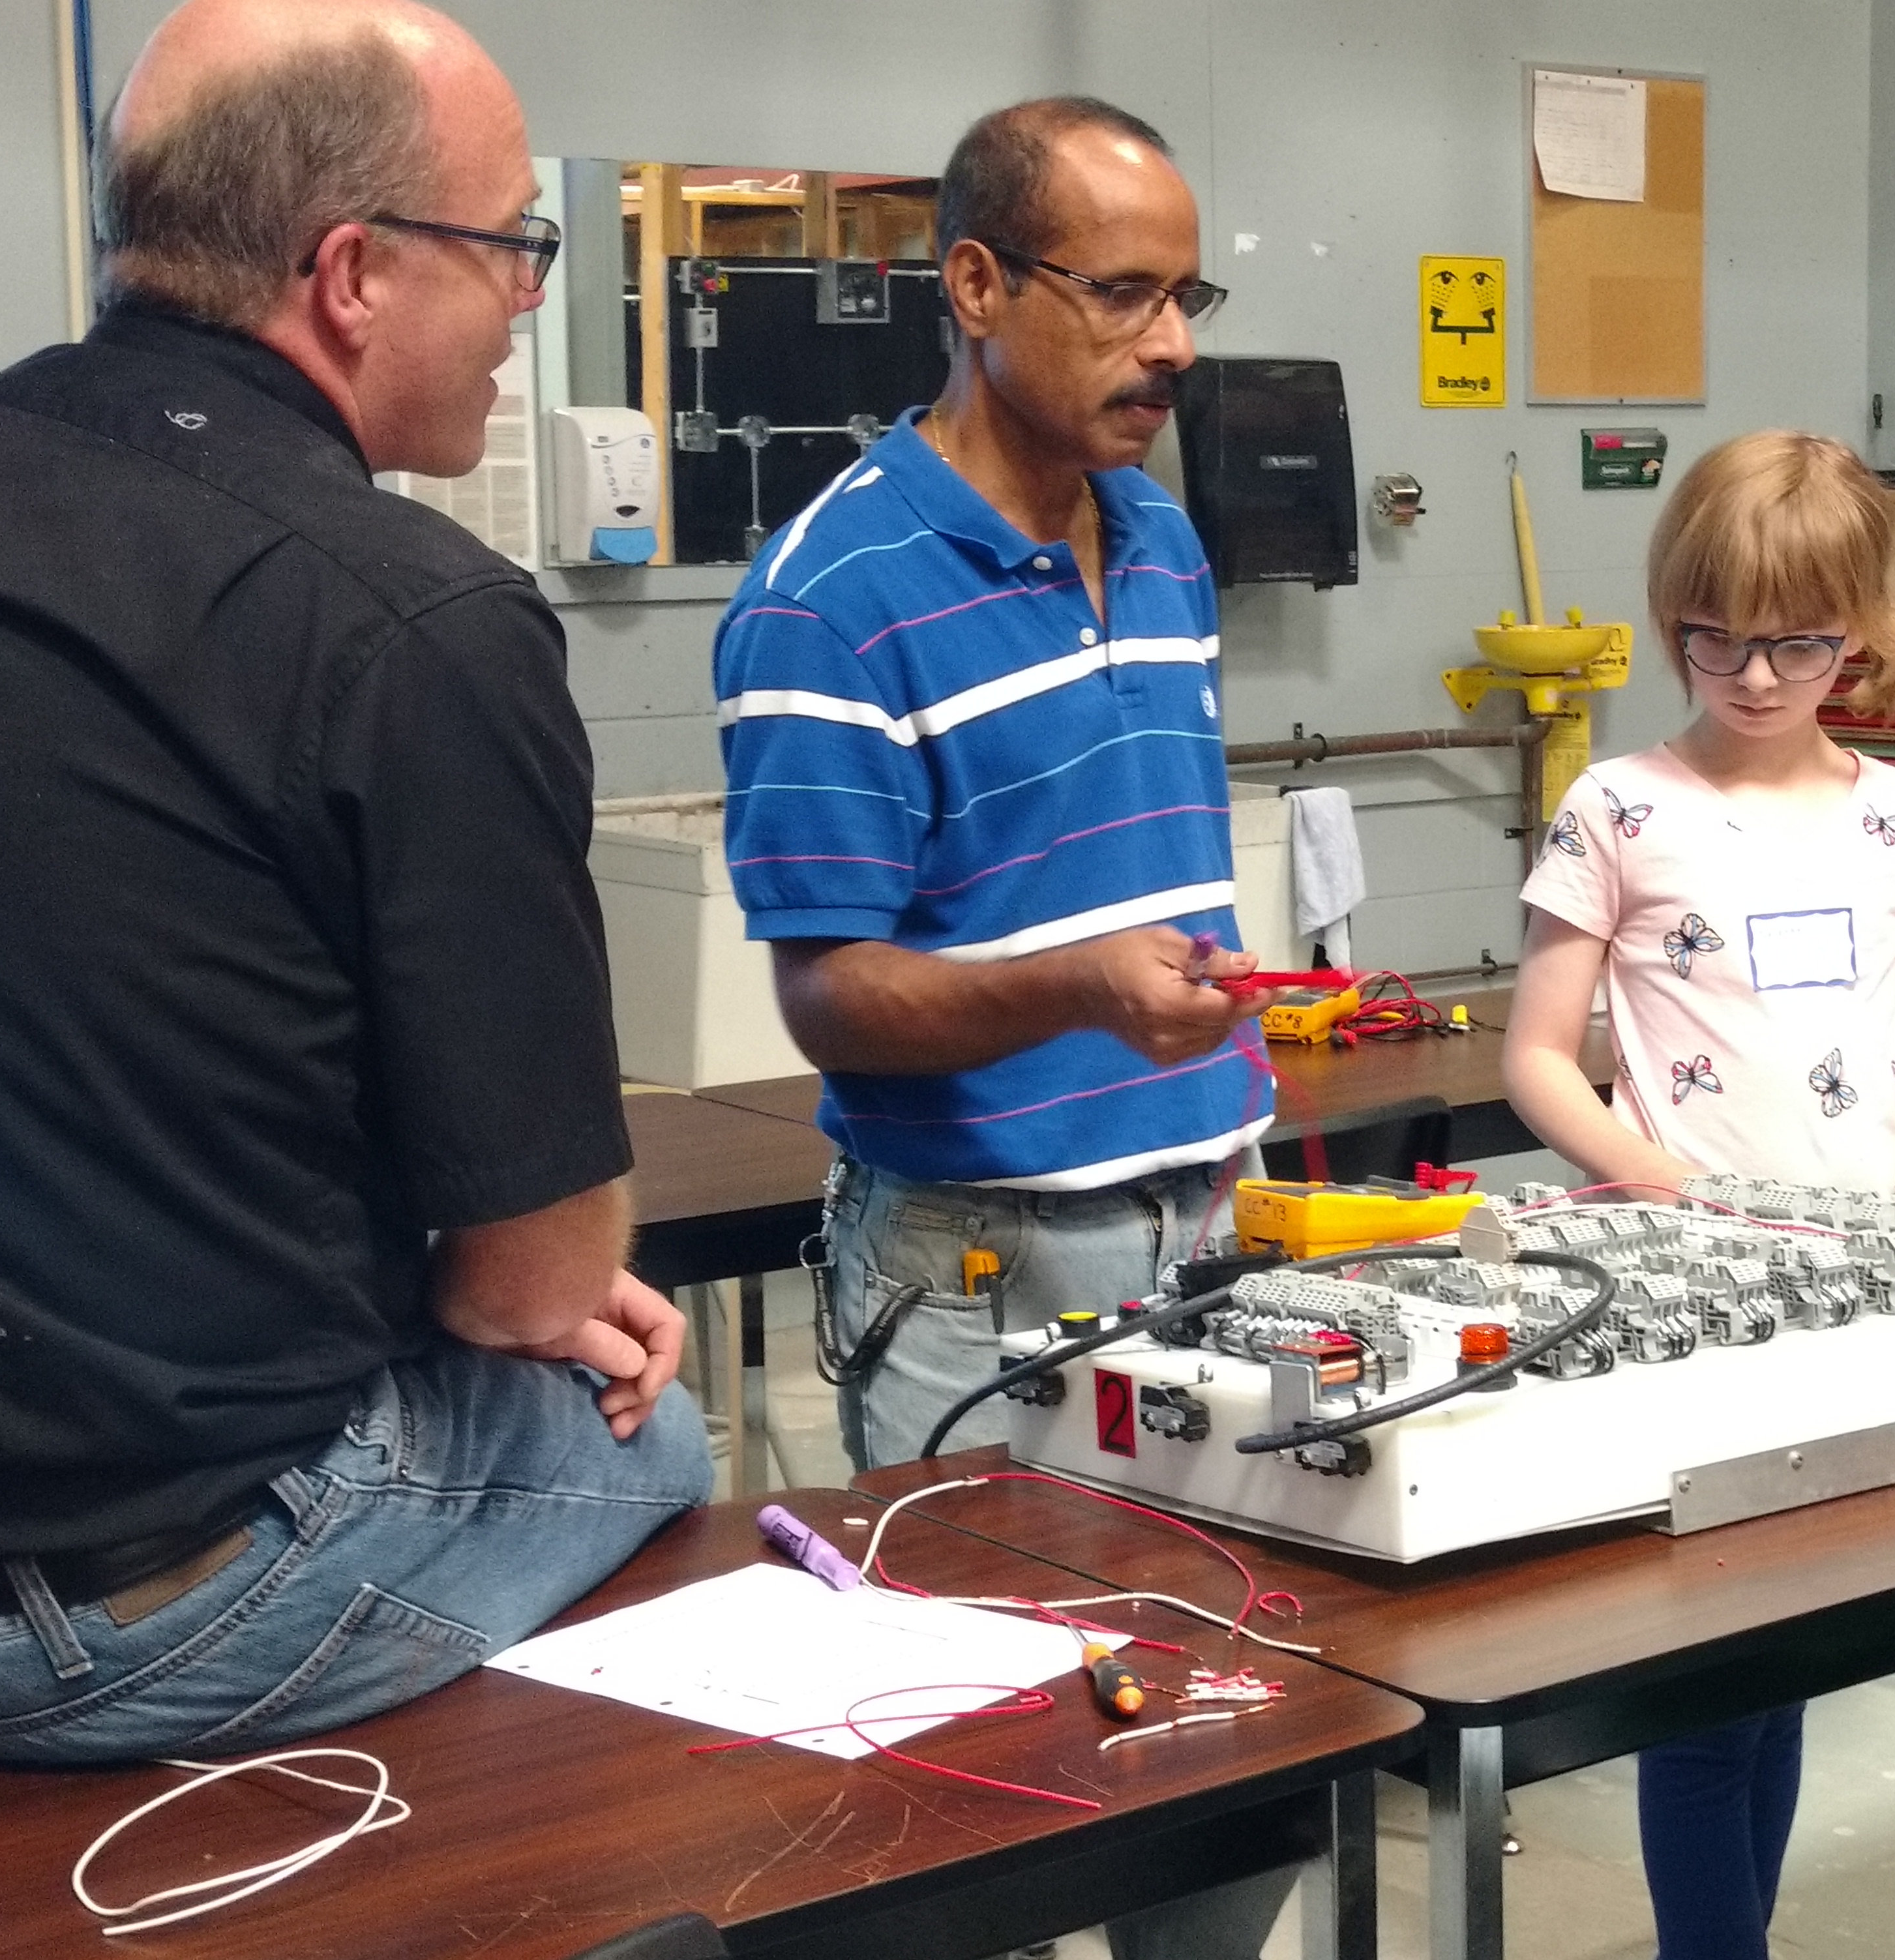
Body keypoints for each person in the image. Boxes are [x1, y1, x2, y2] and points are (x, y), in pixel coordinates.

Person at [0, 0, 708, 1759]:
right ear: (355, 272)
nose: (535, 297)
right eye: (517, 248)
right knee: (645, 1434)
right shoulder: (414, 618)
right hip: (127, 1617)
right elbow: (527, 1291)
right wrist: (540, 1277)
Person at [712, 97, 1292, 1960]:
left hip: (1208, 1232)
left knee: (1229, 1763)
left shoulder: (1167, 543)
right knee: (990, 1808)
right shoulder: (833, 597)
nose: (1176, 345)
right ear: (974, 283)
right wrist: (1075, 984)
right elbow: (832, 993)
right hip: (982, 1272)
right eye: (1122, 296)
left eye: (1184, 295)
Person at [1503, 429, 1895, 1960]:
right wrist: (1683, 1197)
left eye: (1796, 643)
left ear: (1858, 632)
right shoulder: (1617, 809)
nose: (1755, 675)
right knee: (1700, 1695)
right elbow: (1536, 1060)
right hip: (1698, 1294)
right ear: (1672, 621)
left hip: (1857, 1294)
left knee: (1780, 1673)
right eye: (1714, 636)